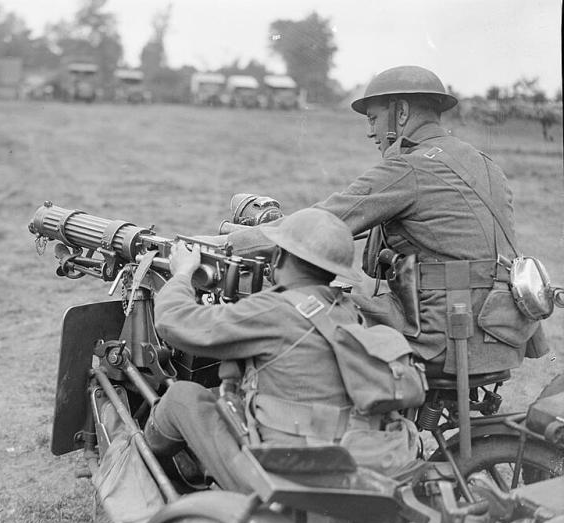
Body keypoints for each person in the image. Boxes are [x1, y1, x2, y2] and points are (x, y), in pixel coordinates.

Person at [225, 65, 546, 376]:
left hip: (442, 336)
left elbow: (315, 224)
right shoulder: (486, 165)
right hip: (501, 332)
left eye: (374, 118)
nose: (370, 131)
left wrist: (225, 243)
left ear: (401, 113)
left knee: (298, 309)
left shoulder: (409, 168)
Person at [144, 209, 417, 493]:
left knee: (181, 397)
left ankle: (157, 482)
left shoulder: (273, 311)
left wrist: (183, 273)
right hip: (344, 460)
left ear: (279, 257)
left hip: (282, 473)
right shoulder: (346, 310)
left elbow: (173, 322)